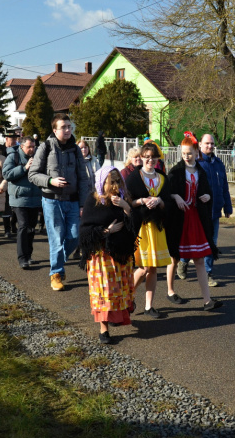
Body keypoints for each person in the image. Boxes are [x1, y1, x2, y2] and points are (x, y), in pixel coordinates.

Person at [28, 116, 91, 291]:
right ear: (55, 130)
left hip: (72, 201)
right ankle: (56, 273)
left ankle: (59, 261)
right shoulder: (45, 147)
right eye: (63, 127)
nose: (67, 130)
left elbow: (83, 178)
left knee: (74, 236)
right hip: (51, 201)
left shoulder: (75, 149)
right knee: (57, 238)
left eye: (69, 127)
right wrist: (50, 181)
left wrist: (82, 204)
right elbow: (32, 174)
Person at [79, 166, 139, 344]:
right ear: (102, 183)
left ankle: (119, 315)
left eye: (118, 181)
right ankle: (103, 329)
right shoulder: (93, 201)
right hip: (101, 256)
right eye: (111, 182)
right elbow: (85, 231)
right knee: (104, 293)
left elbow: (133, 229)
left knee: (119, 291)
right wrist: (106, 230)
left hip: (120, 255)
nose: (115, 186)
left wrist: (127, 207)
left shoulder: (122, 198)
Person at [165, 135, 223, 310]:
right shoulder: (175, 171)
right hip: (180, 219)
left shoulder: (201, 172)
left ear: (196, 152)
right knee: (174, 258)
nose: (186, 156)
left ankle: (207, 300)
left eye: (189, 153)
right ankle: (170, 291)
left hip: (196, 218)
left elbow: (206, 191)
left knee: (199, 259)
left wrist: (207, 196)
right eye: (184, 153)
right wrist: (176, 197)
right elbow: (167, 192)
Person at [177, 134, 232, 287]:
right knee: (191, 240)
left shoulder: (219, 164)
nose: (210, 146)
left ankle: (208, 273)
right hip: (197, 211)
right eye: (207, 143)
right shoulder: (196, 164)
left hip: (214, 211)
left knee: (211, 242)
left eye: (212, 143)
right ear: (200, 144)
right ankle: (183, 261)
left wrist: (227, 206)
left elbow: (224, 186)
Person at [125, 141, 172, 319]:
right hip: (141, 227)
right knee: (144, 267)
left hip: (158, 227)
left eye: (153, 157)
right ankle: (127, 296)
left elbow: (168, 200)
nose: (150, 160)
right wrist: (143, 201)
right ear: (141, 158)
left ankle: (149, 306)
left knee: (153, 269)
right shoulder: (134, 178)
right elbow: (128, 201)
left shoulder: (162, 178)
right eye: (146, 157)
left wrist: (160, 201)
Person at [3, 137, 42, 269]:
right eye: (29, 147)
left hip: (35, 198)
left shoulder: (38, 157)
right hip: (19, 198)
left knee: (31, 228)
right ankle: (22, 258)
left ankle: (29, 255)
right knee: (23, 226)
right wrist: (24, 168)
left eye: (33, 147)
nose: (31, 149)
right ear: (21, 147)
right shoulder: (13, 157)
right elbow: (7, 174)